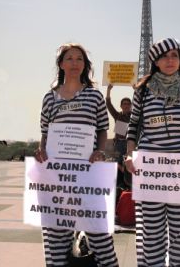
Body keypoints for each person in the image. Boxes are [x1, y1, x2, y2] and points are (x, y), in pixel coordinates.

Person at [124, 38, 180, 267]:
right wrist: (129, 155)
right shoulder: (142, 92)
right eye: (164, 56)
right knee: (151, 232)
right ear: (155, 61)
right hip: (150, 167)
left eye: (174, 55)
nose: (170, 60)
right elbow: (133, 127)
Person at [35, 43, 119, 267]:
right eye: (69, 58)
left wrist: (100, 151)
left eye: (79, 59)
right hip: (57, 179)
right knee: (55, 237)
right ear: (61, 64)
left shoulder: (94, 96)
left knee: (100, 235)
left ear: (85, 65)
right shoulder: (50, 98)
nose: (74, 63)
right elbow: (45, 133)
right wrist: (42, 151)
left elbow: (102, 128)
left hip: (87, 176)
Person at [106, 84, 132, 188]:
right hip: (118, 144)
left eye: (128, 104)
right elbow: (108, 104)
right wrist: (108, 90)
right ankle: (117, 187)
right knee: (116, 165)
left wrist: (136, 90)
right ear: (121, 106)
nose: (126, 105)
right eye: (124, 104)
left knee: (129, 166)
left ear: (130, 105)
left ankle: (127, 186)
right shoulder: (118, 116)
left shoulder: (134, 116)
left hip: (129, 144)